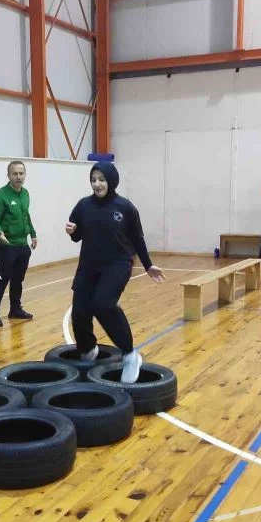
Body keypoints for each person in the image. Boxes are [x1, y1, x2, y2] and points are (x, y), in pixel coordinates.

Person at [65, 162, 166, 383]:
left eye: (101, 179)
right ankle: (88, 349)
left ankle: (130, 354)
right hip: (89, 264)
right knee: (80, 310)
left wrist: (148, 265)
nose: (97, 184)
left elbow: (138, 238)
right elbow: (77, 234)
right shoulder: (83, 206)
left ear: (111, 180)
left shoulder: (125, 207)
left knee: (103, 304)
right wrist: (72, 231)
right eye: (93, 179)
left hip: (117, 263)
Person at [0, 161, 37, 327]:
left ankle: (15, 309)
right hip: (6, 245)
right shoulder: (1, 195)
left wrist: (33, 234)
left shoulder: (26, 194)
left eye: (21, 173)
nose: (18, 177)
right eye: (15, 173)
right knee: (3, 278)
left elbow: (26, 216)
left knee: (18, 279)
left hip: (22, 245)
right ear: (8, 176)